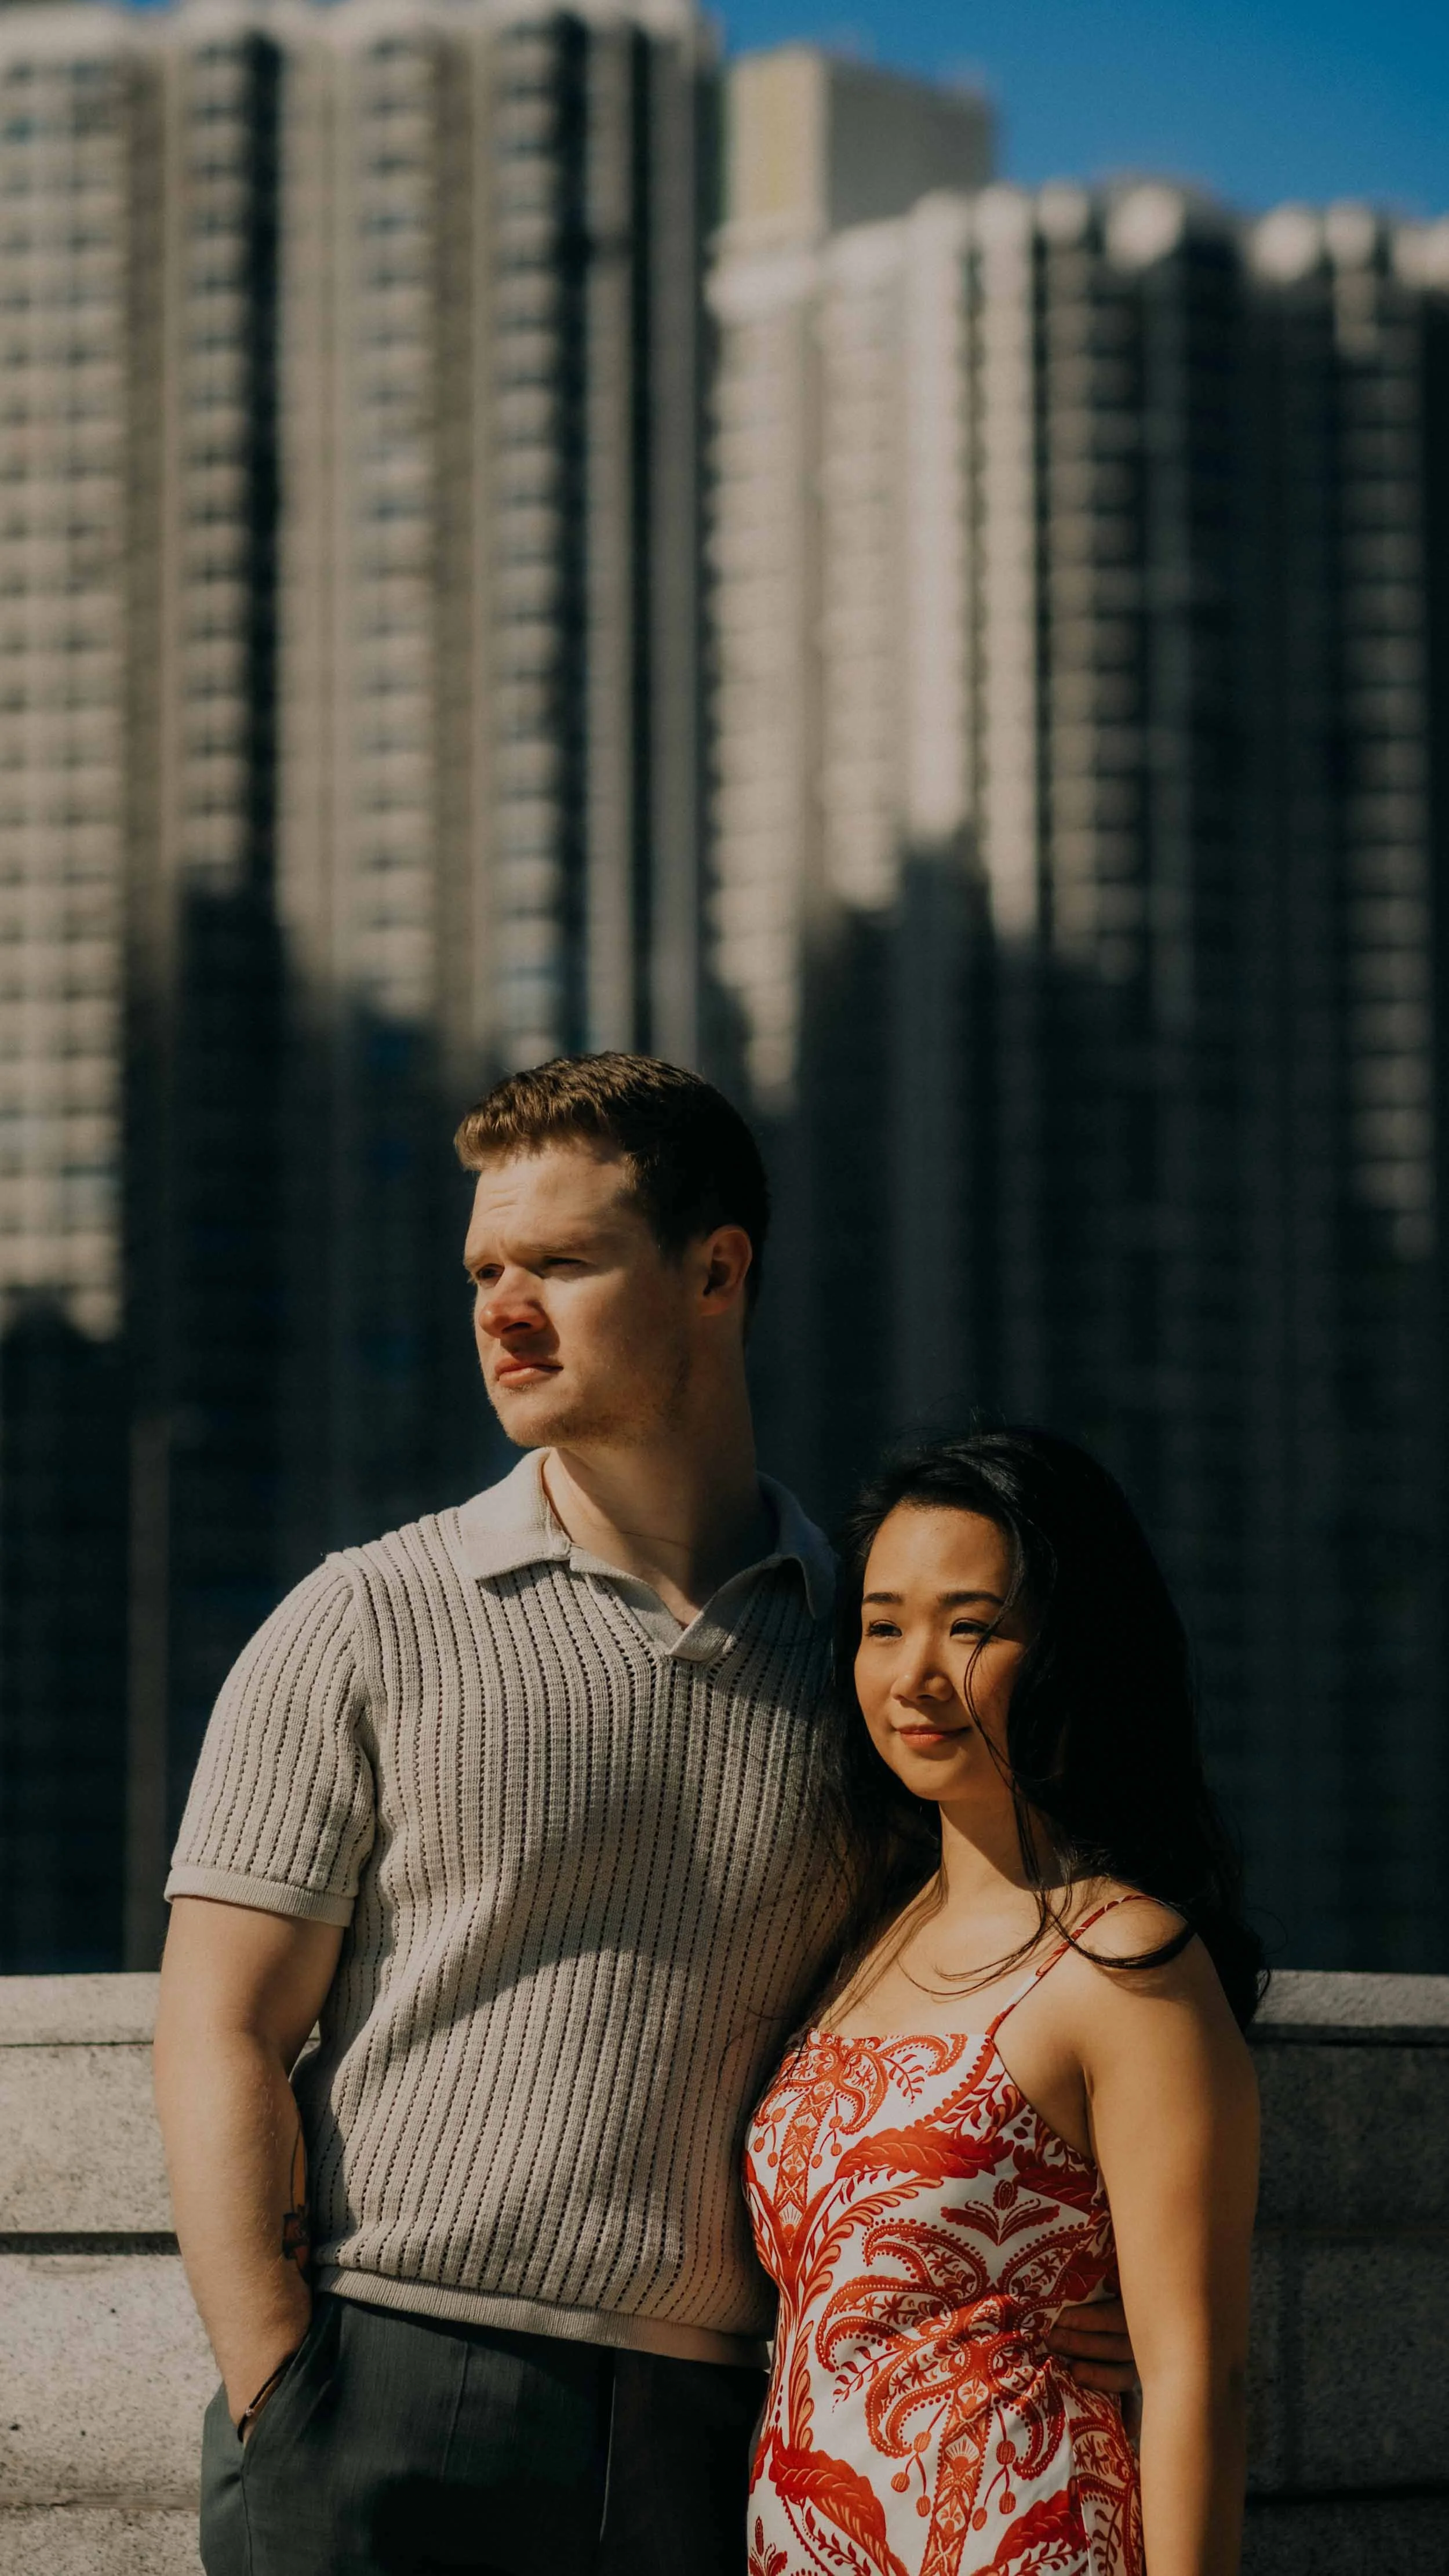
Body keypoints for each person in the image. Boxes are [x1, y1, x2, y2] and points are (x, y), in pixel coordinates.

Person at [153, 1054, 1137, 2576]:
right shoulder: (363, 1617)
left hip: (722, 2424)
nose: (502, 1305)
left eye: (559, 1261)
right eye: (485, 1266)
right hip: (391, 2384)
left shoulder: (862, 1652)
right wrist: (280, 2380)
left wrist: (1066, 2262)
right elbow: (216, 2021)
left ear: (715, 1271)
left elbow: (1018, 1963)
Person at [745, 1429, 1262, 2576]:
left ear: (1069, 1649)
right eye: (883, 1625)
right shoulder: (865, 1934)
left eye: (969, 1625)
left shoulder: (1124, 1962)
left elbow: (1195, 2377)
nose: (913, 1673)